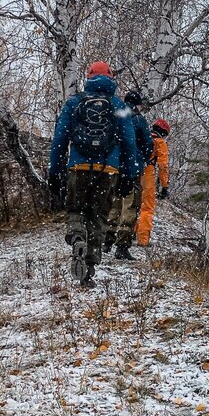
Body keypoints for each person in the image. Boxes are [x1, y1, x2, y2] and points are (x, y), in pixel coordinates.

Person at [47, 61, 138, 286]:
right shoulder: (120, 105)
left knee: (76, 208)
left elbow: (60, 139)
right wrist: (130, 174)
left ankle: (77, 236)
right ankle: (87, 270)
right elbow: (129, 142)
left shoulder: (75, 102)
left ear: (88, 78)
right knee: (98, 216)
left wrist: (55, 171)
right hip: (108, 170)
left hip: (78, 167)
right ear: (111, 79)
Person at [105, 89, 154, 261]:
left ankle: (107, 239)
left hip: (113, 165)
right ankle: (122, 246)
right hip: (132, 167)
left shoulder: (114, 115)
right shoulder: (138, 119)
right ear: (138, 104)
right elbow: (148, 145)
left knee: (114, 202)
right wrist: (142, 158)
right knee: (130, 205)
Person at [135, 118, 170, 247]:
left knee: (132, 205)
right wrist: (164, 185)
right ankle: (143, 239)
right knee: (147, 208)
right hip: (147, 172)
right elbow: (163, 166)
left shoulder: (141, 137)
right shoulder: (160, 142)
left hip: (134, 170)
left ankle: (128, 233)